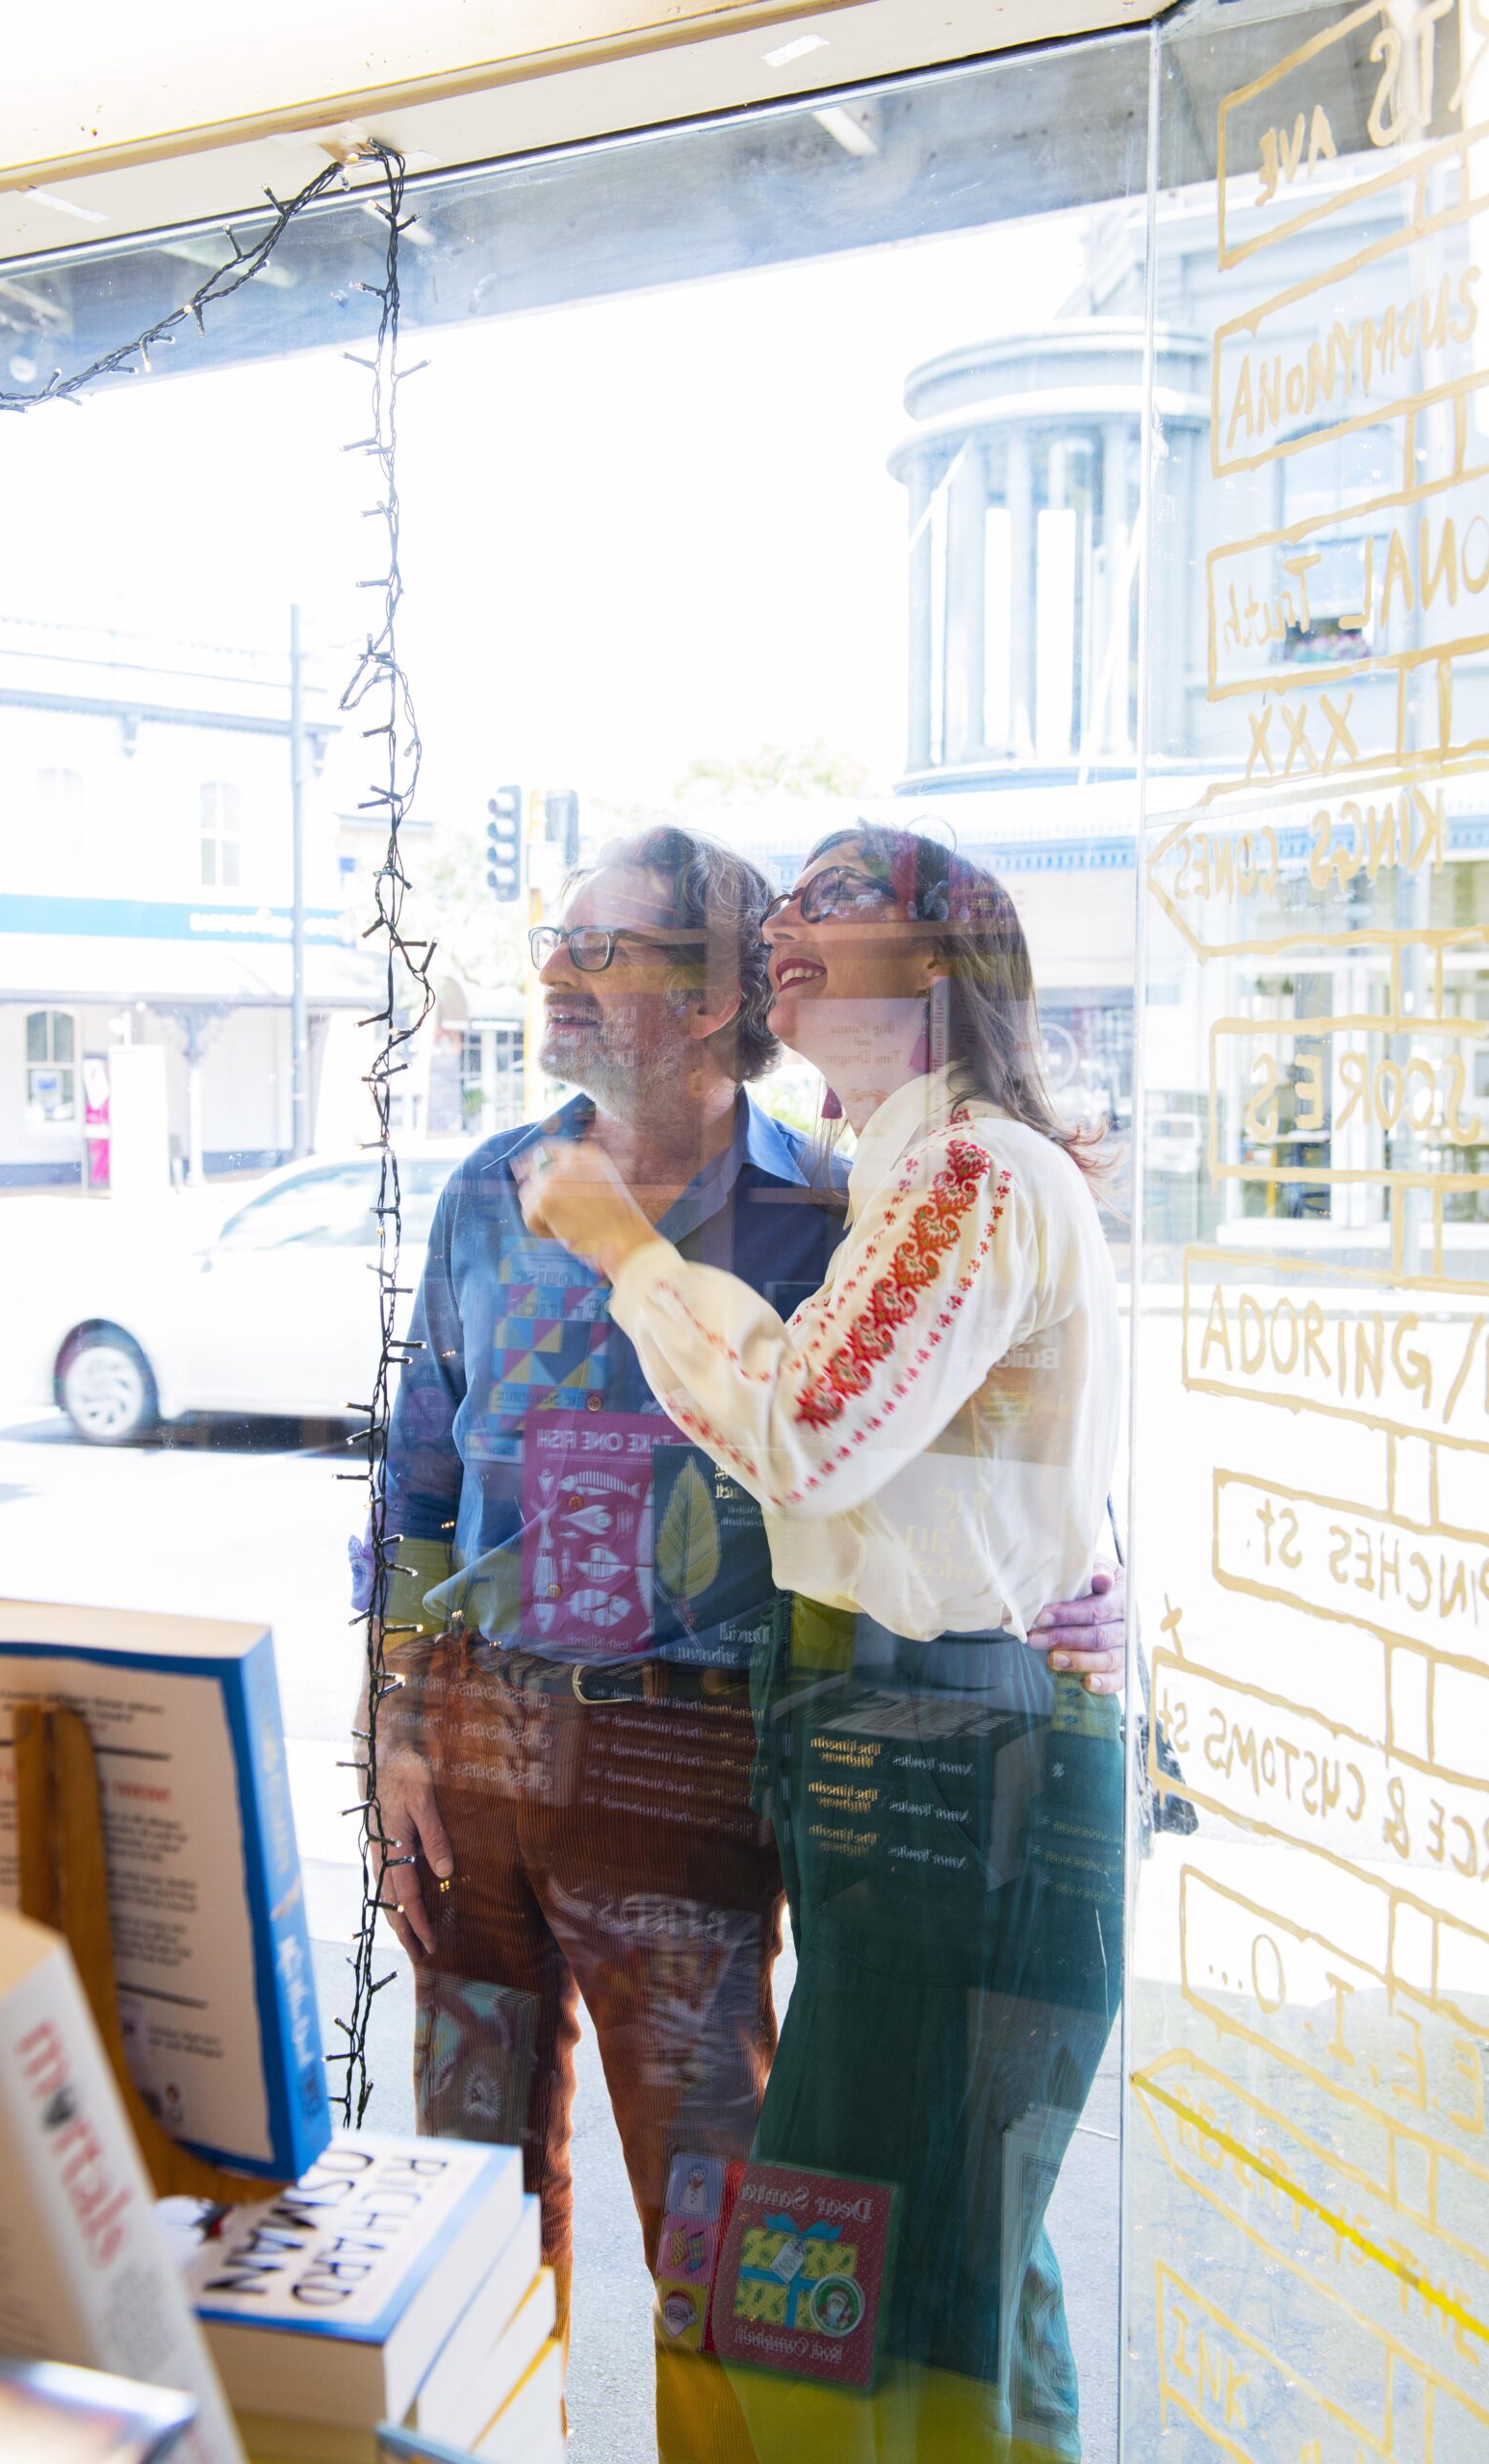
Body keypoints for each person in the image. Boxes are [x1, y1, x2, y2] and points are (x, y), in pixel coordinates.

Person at [354, 825, 1125, 2463]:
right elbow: (417, 1469)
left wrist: (1086, 1572)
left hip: (692, 1771)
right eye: (554, 947)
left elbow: (953, 1434)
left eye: (600, 952)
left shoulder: (837, 1204)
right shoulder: (486, 1197)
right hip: (480, 1767)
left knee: (740, 2227)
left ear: (709, 1001)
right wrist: (395, 1715)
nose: (555, 977)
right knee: (470, 2172)